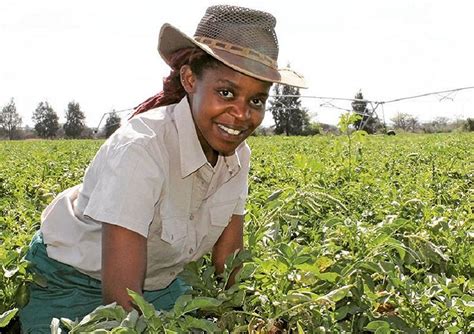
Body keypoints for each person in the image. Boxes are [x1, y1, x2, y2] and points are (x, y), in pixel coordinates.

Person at [19, 4, 305, 333]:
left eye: (257, 100)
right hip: (69, 280)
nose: (242, 114)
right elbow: (121, 302)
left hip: (160, 285)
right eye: (226, 93)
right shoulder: (141, 149)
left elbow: (229, 260)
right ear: (189, 79)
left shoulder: (237, 157)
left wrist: (241, 320)